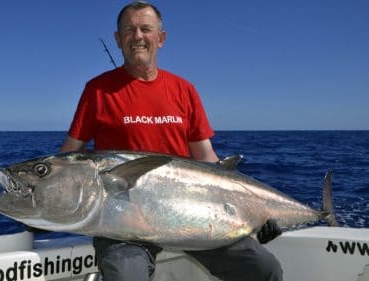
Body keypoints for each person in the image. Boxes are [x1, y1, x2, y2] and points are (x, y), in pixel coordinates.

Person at [60, 1, 283, 281]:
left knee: (265, 269)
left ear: (161, 38)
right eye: (129, 30)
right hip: (124, 226)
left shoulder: (184, 90)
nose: (138, 36)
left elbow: (207, 158)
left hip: (193, 218)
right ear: (118, 39)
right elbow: (70, 154)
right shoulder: (97, 90)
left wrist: (257, 212)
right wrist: (44, 198)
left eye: (145, 29)